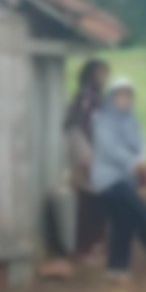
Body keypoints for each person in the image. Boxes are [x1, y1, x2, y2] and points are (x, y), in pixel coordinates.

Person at [91, 78, 146, 284]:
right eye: (120, 95)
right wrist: (134, 163)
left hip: (128, 178)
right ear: (111, 98)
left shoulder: (132, 119)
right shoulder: (102, 120)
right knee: (140, 210)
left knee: (123, 221)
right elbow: (110, 149)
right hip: (108, 179)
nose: (124, 100)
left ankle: (117, 268)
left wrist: (143, 158)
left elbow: (143, 142)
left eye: (128, 96)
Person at [64, 58, 109, 264]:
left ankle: (94, 246)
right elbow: (75, 128)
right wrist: (85, 157)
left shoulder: (98, 98)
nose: (104, 78)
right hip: (87, 156)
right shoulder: (84, 98)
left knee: (98, 202)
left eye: (105, 74)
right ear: (91, 75)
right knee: (88, 204)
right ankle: (84, 249)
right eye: (100, 73)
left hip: (99, 157)